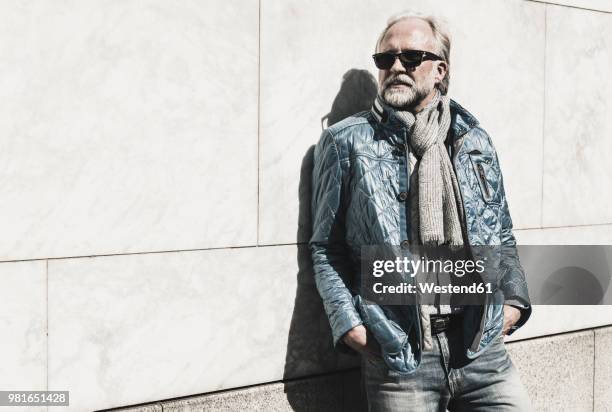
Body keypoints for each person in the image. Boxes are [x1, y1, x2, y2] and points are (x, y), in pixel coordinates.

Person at [309, 10, 533, 411]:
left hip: (481, 345)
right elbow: (326, 247)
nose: (396, 66)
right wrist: (352, 327)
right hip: (400, 354)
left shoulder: (472, 137)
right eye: (385, 59)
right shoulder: (346, 142)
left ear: (439, 70)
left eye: (411, 57)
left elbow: (500, 230)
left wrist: (513, 303)